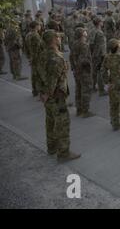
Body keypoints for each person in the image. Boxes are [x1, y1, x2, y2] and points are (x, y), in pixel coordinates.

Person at [39, 30, 81, 162]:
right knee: (62, 124)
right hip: (56, 95)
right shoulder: (55, 58)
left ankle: (51, 147)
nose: (60, 39)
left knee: (50, 121)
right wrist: (47, 93)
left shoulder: (43, 54)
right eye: (58, 37)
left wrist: (42, 92)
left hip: (49, 95)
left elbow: (39, 74)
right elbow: (53, 79)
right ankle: (63, 153)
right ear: (53, 39)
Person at [70, 27, 94, 118]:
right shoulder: (84, 45)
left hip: (77, 70)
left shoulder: (74, 44)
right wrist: (88, 68)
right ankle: (85, 110)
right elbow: (83, 59)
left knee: (78, 89)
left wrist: (74, 67)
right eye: (84, 31)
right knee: (86, 89)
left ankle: (79, 109)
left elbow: (71, 57)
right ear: (82, 34)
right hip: (84, 70)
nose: (86, 32)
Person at [24, 21, 44, 96]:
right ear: (36, 26)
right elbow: (40, 47)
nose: (40, 26)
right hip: (37, 57)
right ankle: (41, 91)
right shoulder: (35, 35)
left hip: (32, 57)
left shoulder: (28, 35)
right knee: (40, 74)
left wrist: (29, 57)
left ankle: (34, 90)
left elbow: (25, 48)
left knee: (34, 74)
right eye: (39, 25)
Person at [91, 17, 107, 96]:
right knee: (100, 71)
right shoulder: (99, 33)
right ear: (99, 23)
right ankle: (101, 89)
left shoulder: (92, 31)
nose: (102, 23)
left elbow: (91, 43)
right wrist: (104, 55)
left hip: (94, 53)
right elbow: (102, 45)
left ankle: (93, 86)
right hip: (100, 54)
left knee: (94, 70)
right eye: (101, 21)